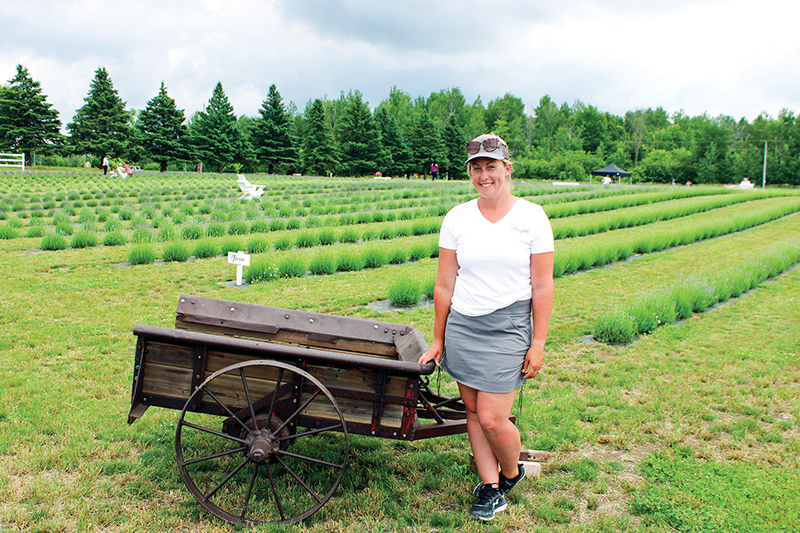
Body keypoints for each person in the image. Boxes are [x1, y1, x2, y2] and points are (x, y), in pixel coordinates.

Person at [419, 133, 554, 521]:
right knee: (474, 414)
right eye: (476, 168)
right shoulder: (457, 217)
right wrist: (440, 337)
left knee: (494, 417)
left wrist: (538, 342)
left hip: (508, 326)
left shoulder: (531, 217)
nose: (483, 175)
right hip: (463, 325)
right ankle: (490, 488)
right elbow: (445, 283)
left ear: (507, 169)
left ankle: (510, 474)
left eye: (491, 167)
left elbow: (542, 285)